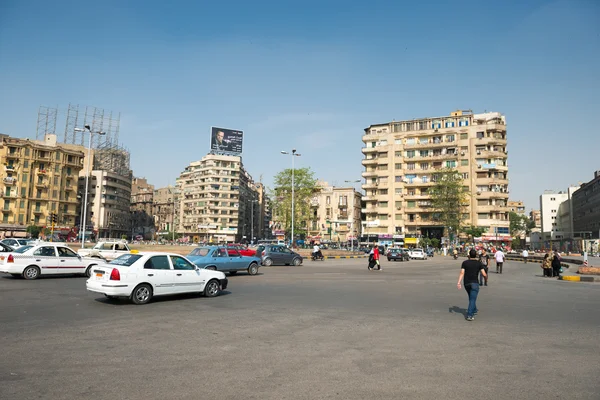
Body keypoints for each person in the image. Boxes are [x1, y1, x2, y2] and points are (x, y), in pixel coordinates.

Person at [457, 249, 487, 321]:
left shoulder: (465, 263)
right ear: (476, 255)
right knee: (472, 299)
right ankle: (470, 315)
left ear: (469, 255)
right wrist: (486, 279)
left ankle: (475, 309)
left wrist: (458, 282)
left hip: (466, 283)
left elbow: (462, 273)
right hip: (475, 283)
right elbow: (484, 274)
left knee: (471, 297)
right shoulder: (479, 263)